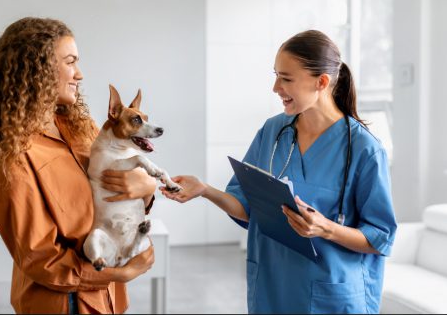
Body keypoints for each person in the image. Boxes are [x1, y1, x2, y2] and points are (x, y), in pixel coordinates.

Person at [160, 30, 397, 313]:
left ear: (321, 82)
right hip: (272, 289)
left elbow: (380, 237)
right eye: (276, 75)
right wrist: (205, 190)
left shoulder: (364, 149)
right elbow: (249, 207)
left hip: (331, 296)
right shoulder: (273, 132)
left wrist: (326, 229)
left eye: (286, 78)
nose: (275, 87)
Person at [0, 17, 157, 314]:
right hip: (65, 304)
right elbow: (41, 257)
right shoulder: (12, 154)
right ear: (37, 70)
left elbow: (111, 197)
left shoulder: (83, 128)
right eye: (70, 62)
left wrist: (146, 188)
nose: (80, 74)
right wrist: (119, 273)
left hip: (108, 300)